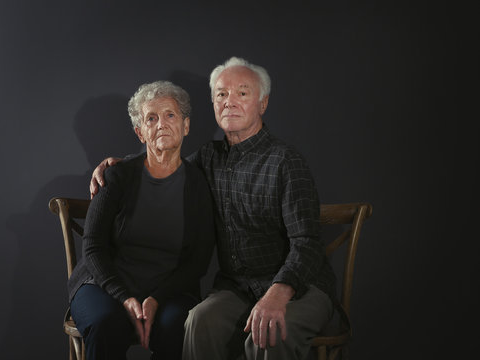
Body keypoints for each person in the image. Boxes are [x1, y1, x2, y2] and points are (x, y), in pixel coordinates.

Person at [90, 58, 336, 360]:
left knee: (267, 337)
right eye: (221, 94)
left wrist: (278, 293)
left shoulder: (286, 162)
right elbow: (163, 159)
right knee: (197, 321)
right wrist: (118, 166)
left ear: (263, 103)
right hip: (239, 289)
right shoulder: (208, 158)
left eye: (242, 93)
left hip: (298, 288)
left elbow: (308, 244)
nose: (229, 102)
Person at [69, 81, 215, 360]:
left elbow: (198, 260)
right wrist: (124, 296)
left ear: (185, 125)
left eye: (170, 115)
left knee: (178, 327)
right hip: (104, 283)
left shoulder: (198, 184)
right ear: (140, 132)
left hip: (168, 289)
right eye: (151, 118)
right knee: (106, 324)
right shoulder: (116, 176)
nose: (161, 124)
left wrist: (156, 298)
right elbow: (93, 247)